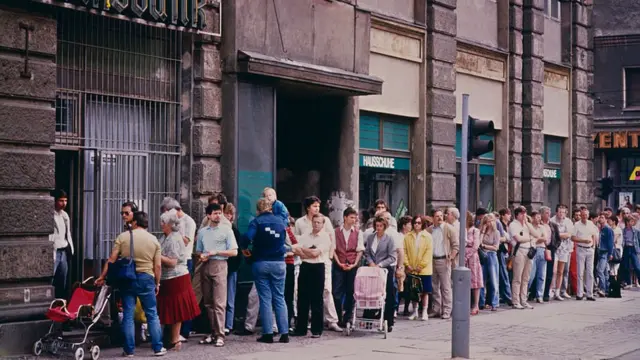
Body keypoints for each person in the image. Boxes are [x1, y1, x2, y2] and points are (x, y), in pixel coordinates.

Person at [96, 211, 167, 357]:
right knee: (152, 314)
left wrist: (102, 276)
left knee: (128, 314)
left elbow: (112, 259)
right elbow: (158, 266)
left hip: (127, 279)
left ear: (134, 222)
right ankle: (158, 348)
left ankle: (129, 350)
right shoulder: (154, 240)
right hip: (147, 278)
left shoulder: (123, 237)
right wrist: (157, 283)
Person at [241, 198, 289, 344]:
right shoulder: (280, 222)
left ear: (258, 210)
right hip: (279, 263)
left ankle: (268, 334)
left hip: (261, 262)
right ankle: (284, 333)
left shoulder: (256, 222)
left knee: (265, 298)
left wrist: (246, 250)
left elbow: (247, 238)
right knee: (280, 297)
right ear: (271, 208)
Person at [294, 196, 342, 332]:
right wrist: (305, 251)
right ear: (308, 207)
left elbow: (329, 240)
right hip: (304, 261)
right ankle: (302, 324)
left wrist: (329, 256)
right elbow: (297, 245)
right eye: (314, 206)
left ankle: (331, 320)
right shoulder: (300, 223)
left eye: (318, 206)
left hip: (322, 260)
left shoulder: (325, 221)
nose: (317, 209)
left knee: (325, 291)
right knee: (302, 294)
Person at [156, 210, 200, 351]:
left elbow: (172, 262)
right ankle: (170, 338)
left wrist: (157, 256)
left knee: (176, 310)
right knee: (170, 309)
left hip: (176, 277)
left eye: (163, 222)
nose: (161, 224)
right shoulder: (164, 237)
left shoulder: (174, 238)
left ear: (169, 224)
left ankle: (175, 340)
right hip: (168, 277)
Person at [196, 203, 238, 347]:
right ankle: (212, 332)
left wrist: (217, 252)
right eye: (215, 213)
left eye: (219, 213)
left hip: (220, 264)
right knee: (208, 302)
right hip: (206, 264)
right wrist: (202, 256)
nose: (218, 215)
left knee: (219, 302)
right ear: (208, 215)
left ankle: (220, 334)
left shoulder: (227, 230)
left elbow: (234, 251)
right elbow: (198, 251)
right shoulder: (202, 232)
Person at [292, 214, 332, 338]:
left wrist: (305, 251)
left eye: (318, 222)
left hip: (318, 267)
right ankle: (301, 328)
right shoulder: (305, 235)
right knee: (302, 298)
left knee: (317, 299)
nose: (316, 224)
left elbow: (316, 253)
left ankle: (316, 329)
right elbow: (295, 249)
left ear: (322, 224)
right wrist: (307, 251)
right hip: (305, 267)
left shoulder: (325, 237)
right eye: (314, 222)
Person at [332, 207, 364, 327]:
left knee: (351, 291)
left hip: (352, 264)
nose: (354, 219)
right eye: (351, 217)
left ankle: (348, 317)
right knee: (336, 292)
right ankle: (338, 317)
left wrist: (354, 264)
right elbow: (333, 249)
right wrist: (339, 262)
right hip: (338, 264)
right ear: (345, 217)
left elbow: (359, 250)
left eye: (355, 217)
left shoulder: (358, 232)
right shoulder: (336, 232)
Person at [364, 216, 397, 332]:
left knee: (388, 294)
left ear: (385, 227)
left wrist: (380, 265)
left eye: (380, 226)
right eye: (376, 226)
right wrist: (371, 263)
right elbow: (367, 252)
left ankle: (388, 320)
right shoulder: (370, 237)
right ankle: (369, 318)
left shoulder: (389, 239)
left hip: (385, 269)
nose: (378, 228)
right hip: (372, 268)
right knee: (370, 293)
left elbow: (392, 257)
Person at [426, 210, 459, 319]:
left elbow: (456, 245)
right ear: (433, 218)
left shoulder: (449, 228)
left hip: (444, 260)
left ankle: (447, 310)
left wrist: (451, 256)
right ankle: (436, 309)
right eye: (437, 216)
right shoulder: (429, 230)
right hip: (432, 260)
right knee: (435, 286)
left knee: (446, 287)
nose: (439, 218)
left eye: (441, 216)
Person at [403, 215, 432, 321]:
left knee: (425, 291)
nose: (416, 225)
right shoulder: (408, 236)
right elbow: (404, 251)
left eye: (419, 223)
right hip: (412, 269)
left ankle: (424, 311)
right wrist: (407, 264)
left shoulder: (428, 236)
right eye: (415, 222)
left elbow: (428, 253)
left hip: (424, 270)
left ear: (422, 224)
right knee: (414, 291)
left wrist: (421, 265)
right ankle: (415, 311)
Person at [50, 189, 75, 300]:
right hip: (54, 250)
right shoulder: (50, 214)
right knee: (51, 278)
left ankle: (59, 304)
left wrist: (70, 248)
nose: (64, 203)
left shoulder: (64, 215)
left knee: (62, 280)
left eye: (65, 200)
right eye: (61, 200)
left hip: (63, 250)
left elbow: (67, 233)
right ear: (55, 201)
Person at [508, 206, 534, 310]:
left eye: (525, 213)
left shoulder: (527, 225)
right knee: (517, 277)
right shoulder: (513, 225)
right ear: (517, 214)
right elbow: (518, 238)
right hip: (519, 250)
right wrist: (529, 238)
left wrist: (528, 224)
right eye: (522, 213)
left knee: (526, 278)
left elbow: (536, 234)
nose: (524, 215)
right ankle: (515, 301)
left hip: (528, 251)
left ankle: (523, 300)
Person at [572, 206, 599, 301]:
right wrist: (583, 240)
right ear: (581, 215)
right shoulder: (577, 225)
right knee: (580, 272)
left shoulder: (591, 224)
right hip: (581, 248)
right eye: (582, 215)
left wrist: (593, 246)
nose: (584, 216)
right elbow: (573, 237)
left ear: (588, 216)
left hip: (590, 249)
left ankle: (589, 294)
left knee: (590, 272)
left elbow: (593, 235)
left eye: (586, 215)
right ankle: (579, 294)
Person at [223, 204, 242, 335]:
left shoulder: (234, 231)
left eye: (230, 214)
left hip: (230, 268)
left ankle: (228, 324)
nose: (228, 216)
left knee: (229, 298)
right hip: (226, 267)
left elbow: (238, 253)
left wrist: (233, 268)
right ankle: (224, 324)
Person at [479, 213, 500, 311]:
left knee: (493, 280)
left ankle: (494, 303)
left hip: (491, 255)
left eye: (491, 221)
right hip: (483, 255)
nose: (489, 223)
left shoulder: (496, 232)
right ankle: (481, 302)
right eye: (487, 221)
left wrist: (484, 246)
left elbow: (496, 247)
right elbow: (478, 243)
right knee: (481, 280)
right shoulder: (481, 231)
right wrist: (483, 231)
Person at [464, 212, 483, 315]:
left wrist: (466, 256)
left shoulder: (475, 231)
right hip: (462, 258)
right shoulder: (461, 230)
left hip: (472, 258)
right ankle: (465, 304)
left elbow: (476, 246)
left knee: (475, 281)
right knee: (464, 282)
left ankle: (475, 305)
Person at [596, 212, 614, 297]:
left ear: (606, 219)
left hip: (605, 252)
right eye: (600, 217)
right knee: (605, 272)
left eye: (602, 217)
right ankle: (607, 289)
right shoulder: (600, 228)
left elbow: (610, 243)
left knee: (600, 270)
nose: (600, 219)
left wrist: (610, 253)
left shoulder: (608, 229)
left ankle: (602, 289)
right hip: (600, 251)